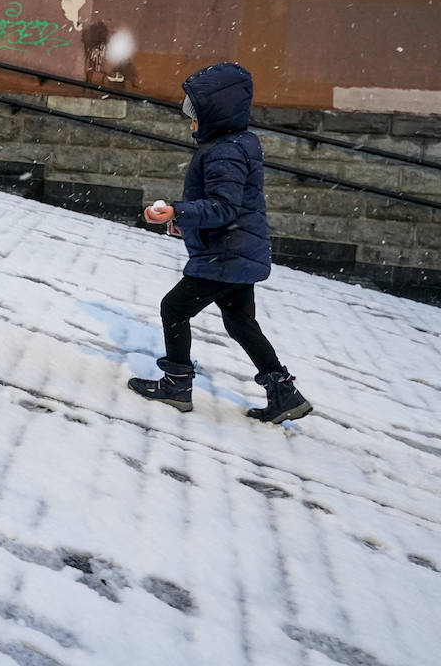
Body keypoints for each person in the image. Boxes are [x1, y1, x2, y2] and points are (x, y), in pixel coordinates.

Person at [128, 62, 312, 424]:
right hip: (237, 251)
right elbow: (233, 207)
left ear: (216, 113)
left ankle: (177, 384)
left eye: (195, 116)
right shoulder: (239, 143)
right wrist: (186, 226)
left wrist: (176, 212)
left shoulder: (223, 151)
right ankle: (284, 392)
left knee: (174, 308)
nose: (191, 124)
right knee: (240, 321)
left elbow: (224, 208)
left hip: (225, 255)